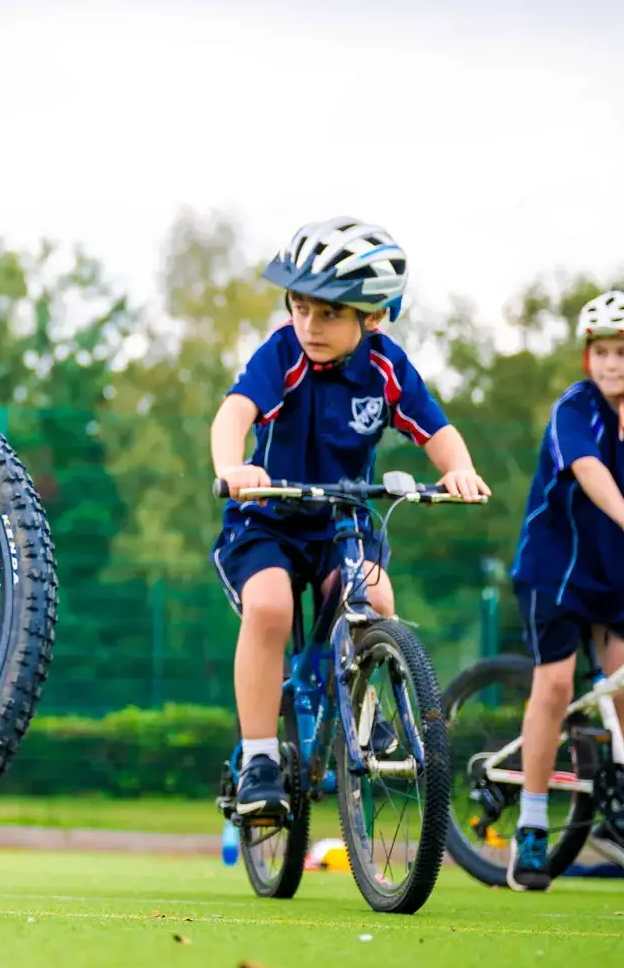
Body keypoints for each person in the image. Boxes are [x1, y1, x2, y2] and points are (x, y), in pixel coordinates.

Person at [210, 216, 490, 820]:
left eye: (330, 313)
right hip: (268, 518)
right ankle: (259, 758)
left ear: (376, 317)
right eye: (300, 307)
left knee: (377, 597)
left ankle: (368, 716)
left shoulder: (387, 367)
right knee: (269, 607)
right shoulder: (284, 352)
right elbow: (234, 413)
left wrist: (459, 469)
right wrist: (234, 468)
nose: (309, 325)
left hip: (342, 520)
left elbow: (435, 429)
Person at [504, 289, 624, 890]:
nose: (609, 364)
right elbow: (589, 470)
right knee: (553, 685)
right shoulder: (574, 412)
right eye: (600, 352)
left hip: (612, 581)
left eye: (623, 352)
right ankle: (530, 827)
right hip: (555, 574)